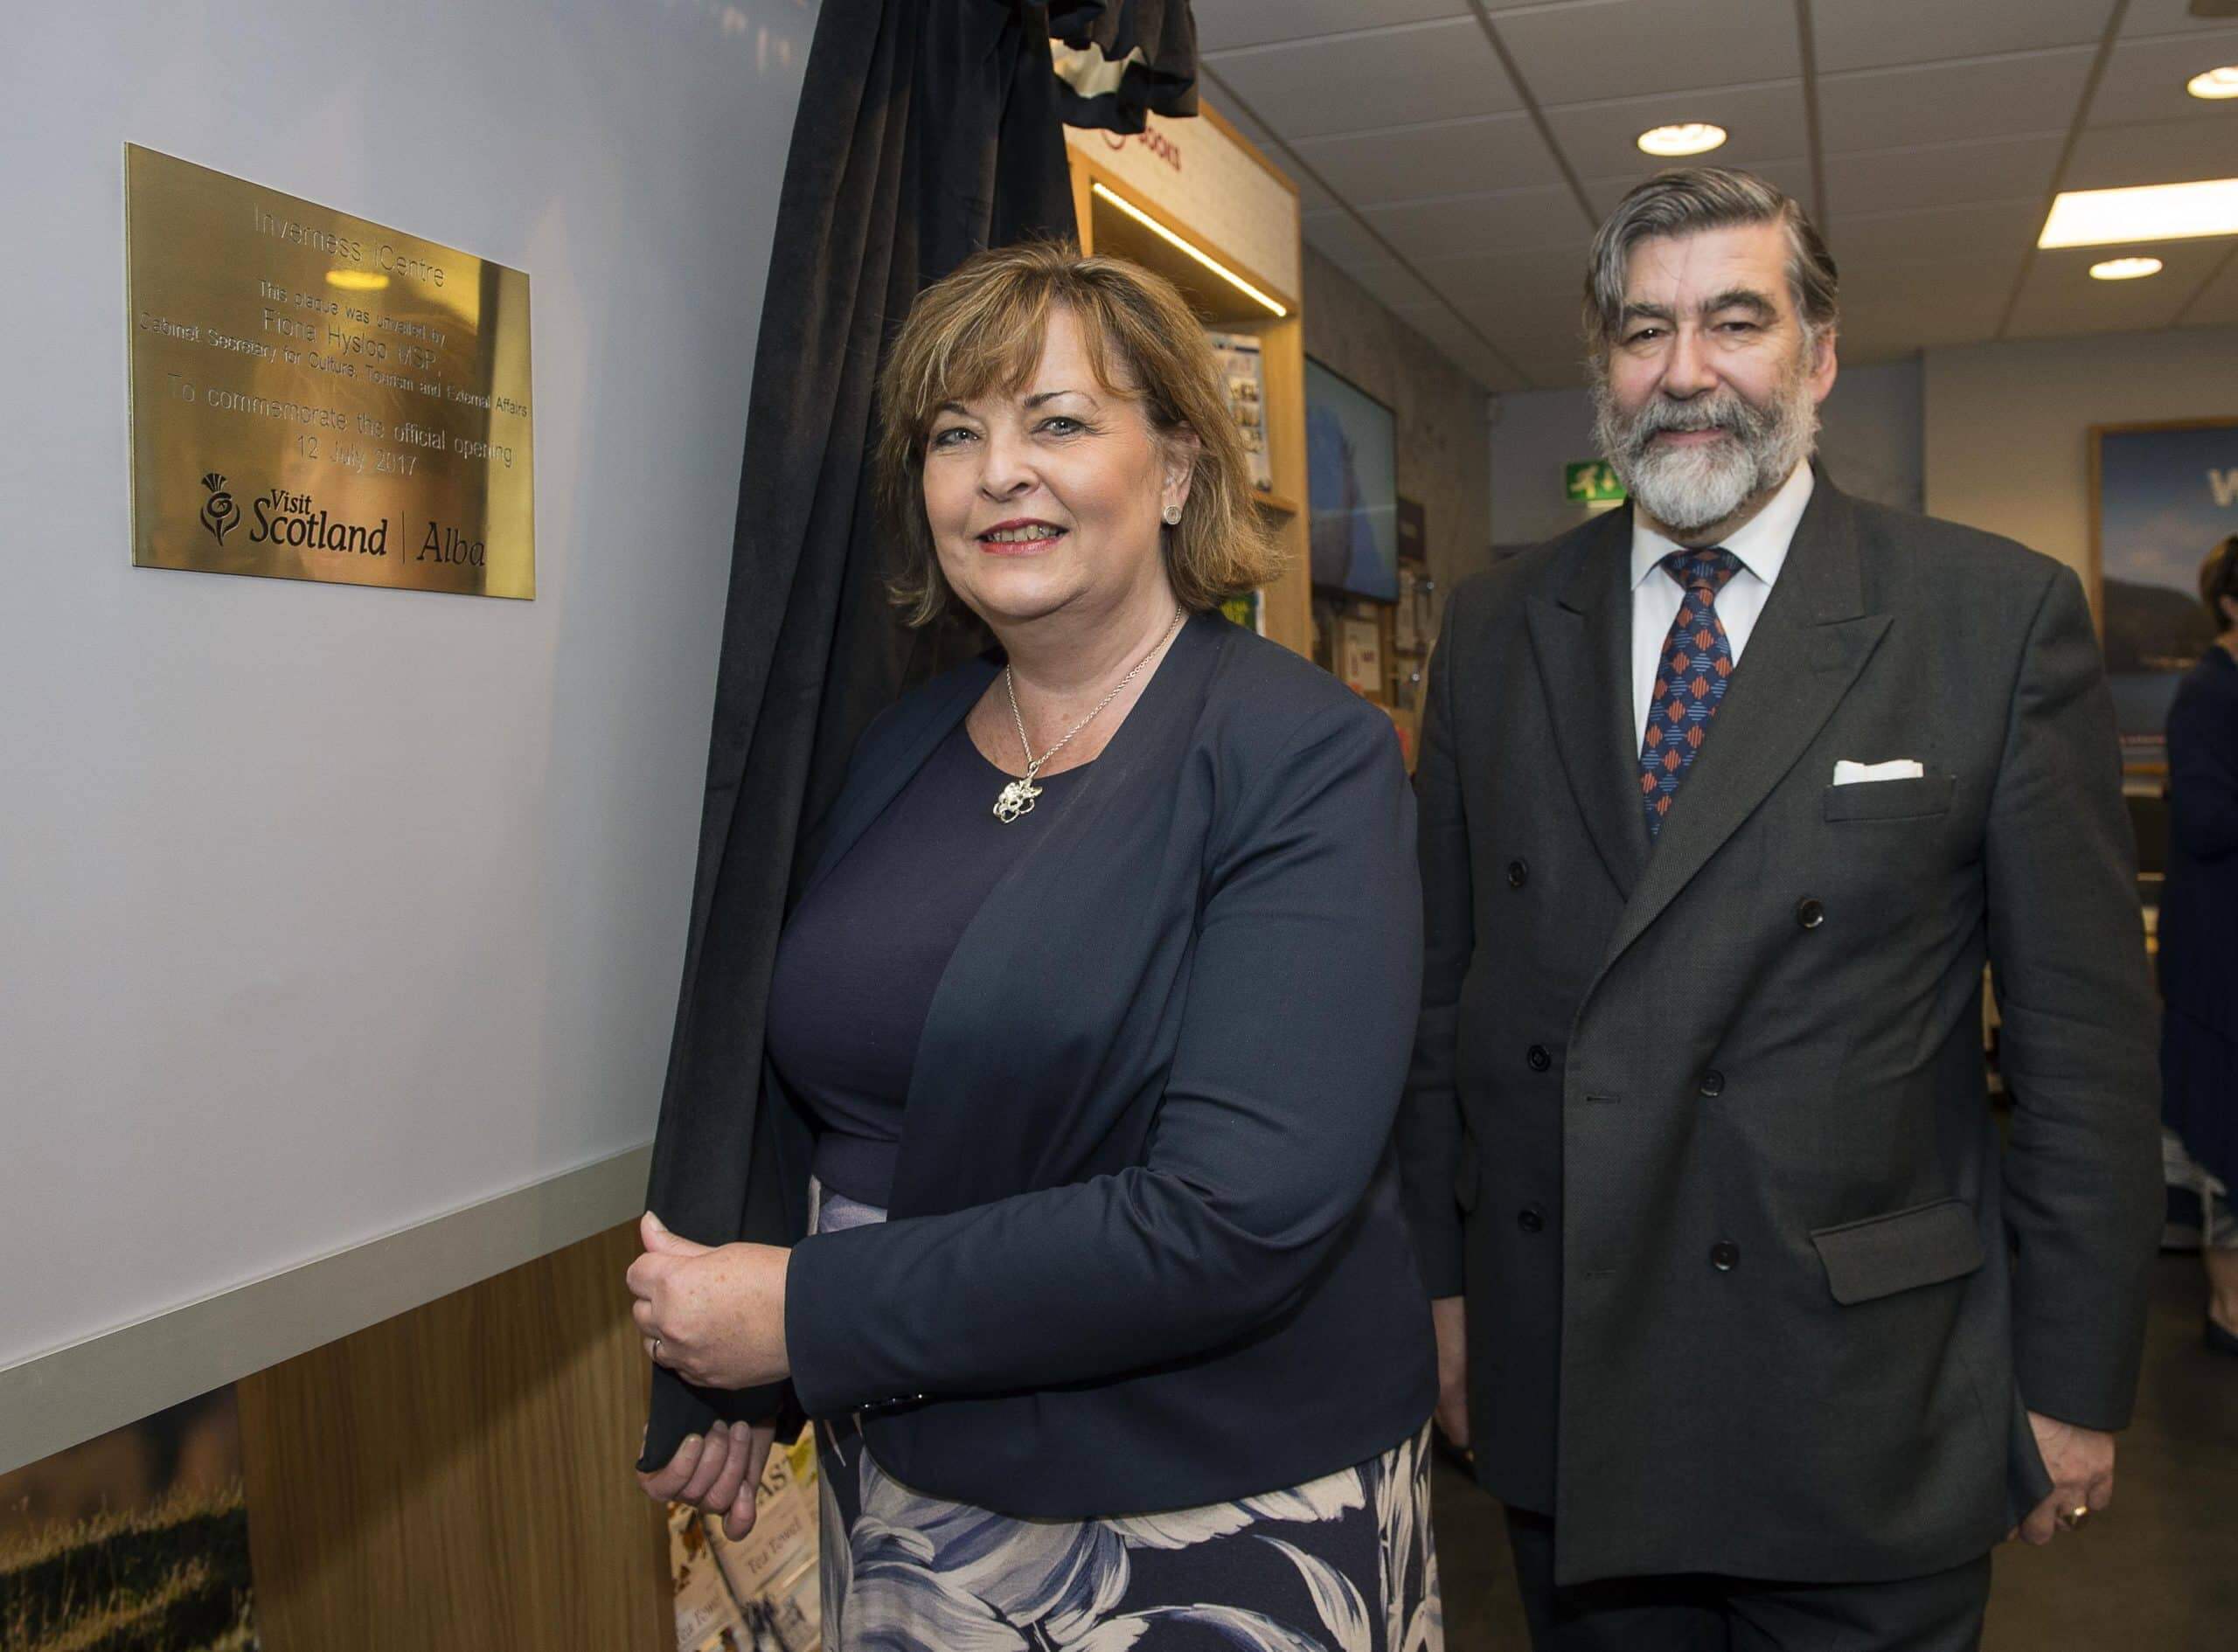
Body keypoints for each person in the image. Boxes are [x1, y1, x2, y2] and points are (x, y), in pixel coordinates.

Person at [629, 242, 1443, 1649]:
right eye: (958, 435)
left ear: (1177, 472)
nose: (1001, 471)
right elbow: (808, 1078)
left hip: (1204, 1504)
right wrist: (750, 1349)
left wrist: (804, 1312)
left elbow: (1233, 1218)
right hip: (902, 1488)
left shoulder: (1302, 756)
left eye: (1058, 422)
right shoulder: (897, 750)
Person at [1400, 167, 2160, 1649]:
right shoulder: (1498, 631)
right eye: (1643, 331)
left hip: (1864, 1394)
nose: (1685, 372)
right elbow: (1446, 1003)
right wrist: (1445, 1291)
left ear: (1816, 356)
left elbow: (2080, 1048)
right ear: (1601, 370)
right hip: (1577, 1361)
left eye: (1733, 322)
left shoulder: (1988, 618)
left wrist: (2072, 1383)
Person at [2160, 535, 2238, 1358]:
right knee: (2225, 1131)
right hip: (2220, 967)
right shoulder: (2208, 696)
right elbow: (2206, 823)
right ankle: (2227, 1311)